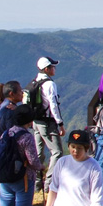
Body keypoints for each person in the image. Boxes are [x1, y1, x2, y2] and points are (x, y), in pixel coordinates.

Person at [29, 56, 65, 186]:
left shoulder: (34, 82)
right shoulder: (50, 84)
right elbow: (53, 105)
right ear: (46, 69)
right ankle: (49, 183)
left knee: (39, 153)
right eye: (53, 67)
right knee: (57, 152)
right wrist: (60, 123)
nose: (54, 69)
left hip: (35, 123)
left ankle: (36, 182)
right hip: (47, 123)